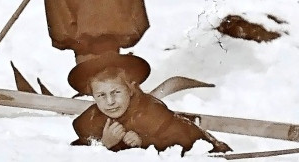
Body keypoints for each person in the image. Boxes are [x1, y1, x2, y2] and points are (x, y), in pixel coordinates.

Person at [69, 53, 229, 153]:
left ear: (130, 90)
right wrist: (104, 144)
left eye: (116, 92)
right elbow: (76, 150)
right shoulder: (92, 119)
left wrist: (144, 142)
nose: (110, 102)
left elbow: (181, 142)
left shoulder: (151, 112)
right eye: (101, 95)